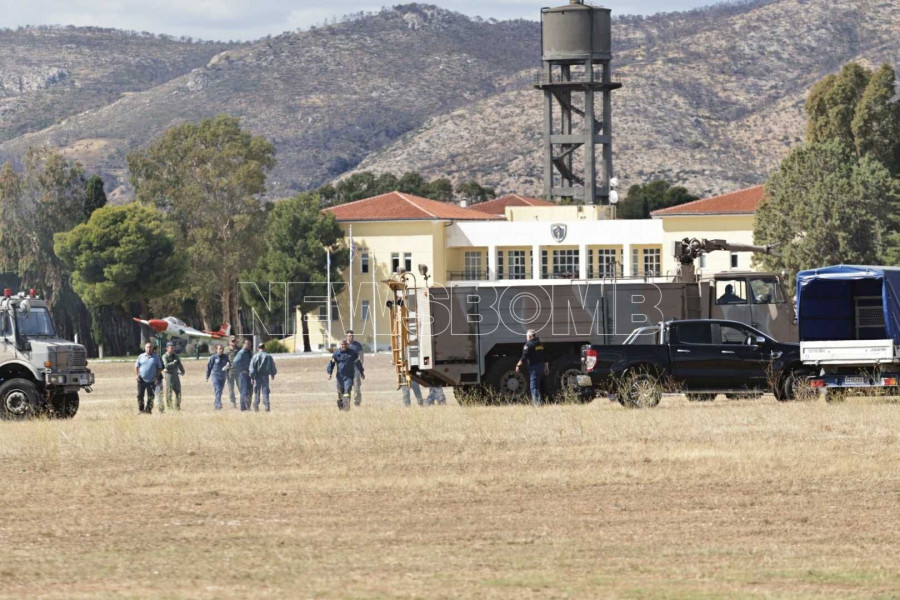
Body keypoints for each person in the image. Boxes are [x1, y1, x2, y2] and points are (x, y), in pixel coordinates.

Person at [327, 339, 365, 411]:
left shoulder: (352, 353)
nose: (343, 346)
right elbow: (331, 364)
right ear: (340, 345)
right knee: (340, 393)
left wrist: (362, 372)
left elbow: (358, 363)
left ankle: (346, 408)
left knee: (347, 392)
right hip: (339, 377)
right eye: (342, 345)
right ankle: (341, 406)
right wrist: (329, 373)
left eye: (344, 345)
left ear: (347, 345)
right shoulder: (336, 354)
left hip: (349, 376)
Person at [516, 329, 549, 406]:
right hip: (541, 367)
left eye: (527, 336)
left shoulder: (528, 345)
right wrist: (546, 368)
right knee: (537, 385)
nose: (526, 338)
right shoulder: (540, 345)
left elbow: (524, 357)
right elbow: (546, 357)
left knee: (533, 386)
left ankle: (536, 404)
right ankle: (539, 402)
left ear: (530, 336)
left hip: (534, 368)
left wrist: (518, 365)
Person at [135, 341, 163, 414]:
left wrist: (157, 377)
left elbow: (159, 367)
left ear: (152, 348)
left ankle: (148, 410)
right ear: (145, 348)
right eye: (147, 347)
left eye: (150, 347)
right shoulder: (140, 356)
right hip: (141, 379)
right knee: (139, 395)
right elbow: (137, 366)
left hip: (152, 380)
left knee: (151, 396)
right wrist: (137, 375)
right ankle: (141, 410)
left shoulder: (156, 357)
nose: (149, 349)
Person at [250, 342, 278, 412]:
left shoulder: (255, 356)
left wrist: (252, 377)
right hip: (265, 376)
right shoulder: (268, 356)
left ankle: (256, 406)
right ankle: (267, 406)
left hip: (257, 376)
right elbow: (272, 366)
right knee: (265, 391)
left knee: (257, 391)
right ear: (264, 348)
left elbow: (252, 368)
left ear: (258, 348)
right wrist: (272, 374)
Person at [161, 342, 186, 411]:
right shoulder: (164, 356)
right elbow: (166, 366)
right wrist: (174, 362)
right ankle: (169, 407)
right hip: (169, 375)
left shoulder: (175, 356)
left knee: (178, 391)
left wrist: (182, 371)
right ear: (167, 348)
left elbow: (179, 363)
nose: (172, 349)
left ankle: (177, 407)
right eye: (171, 348)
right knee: (169, 391)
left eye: (173, 348)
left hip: (175, 375)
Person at [206, 344, 230, 410]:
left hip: (223, 376)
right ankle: (218, 404)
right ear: (216, 350)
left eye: (222, 349)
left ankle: (216, 403)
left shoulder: (225, 357)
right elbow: (209, 367)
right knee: (218, 389)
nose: (220, 350)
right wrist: (207, 376)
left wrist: (227, 366)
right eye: (219, 349)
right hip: (215, 375)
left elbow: (229, 364)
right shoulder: (213, 357)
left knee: (219, 391)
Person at [232, 339, 254, 411]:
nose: (249, 345)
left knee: (250, 391)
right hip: (244, 375)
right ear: (244, 344)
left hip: (250, 375)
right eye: (247, 344)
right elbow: (235, 362)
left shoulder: (250, 352)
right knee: (244, 392)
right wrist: (241, 370)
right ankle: (243, 408)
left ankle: (248, 407)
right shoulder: (241, 353)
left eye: (250, 344)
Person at [345, 330, 364, 406]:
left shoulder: (358, 345)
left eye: (352, 336)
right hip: (346, 369)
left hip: (355, 368)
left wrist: (360, 368)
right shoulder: (344, 345)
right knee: (346, 386)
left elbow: (361, 357)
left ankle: (357, 402)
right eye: (349, 336)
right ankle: (346, 402)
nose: (351, 337)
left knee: (356, 386)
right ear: (346, 336)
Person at [225, 338, 240, 408]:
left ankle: (244, 402)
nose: (234, 342)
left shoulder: (239, 350)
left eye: (235, 341)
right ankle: (233, 403)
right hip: (230, 372)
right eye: (232, 341)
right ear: (229, 342)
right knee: (231, 389)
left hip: (239, 371)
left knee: (241, 387)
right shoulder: (226, 350)